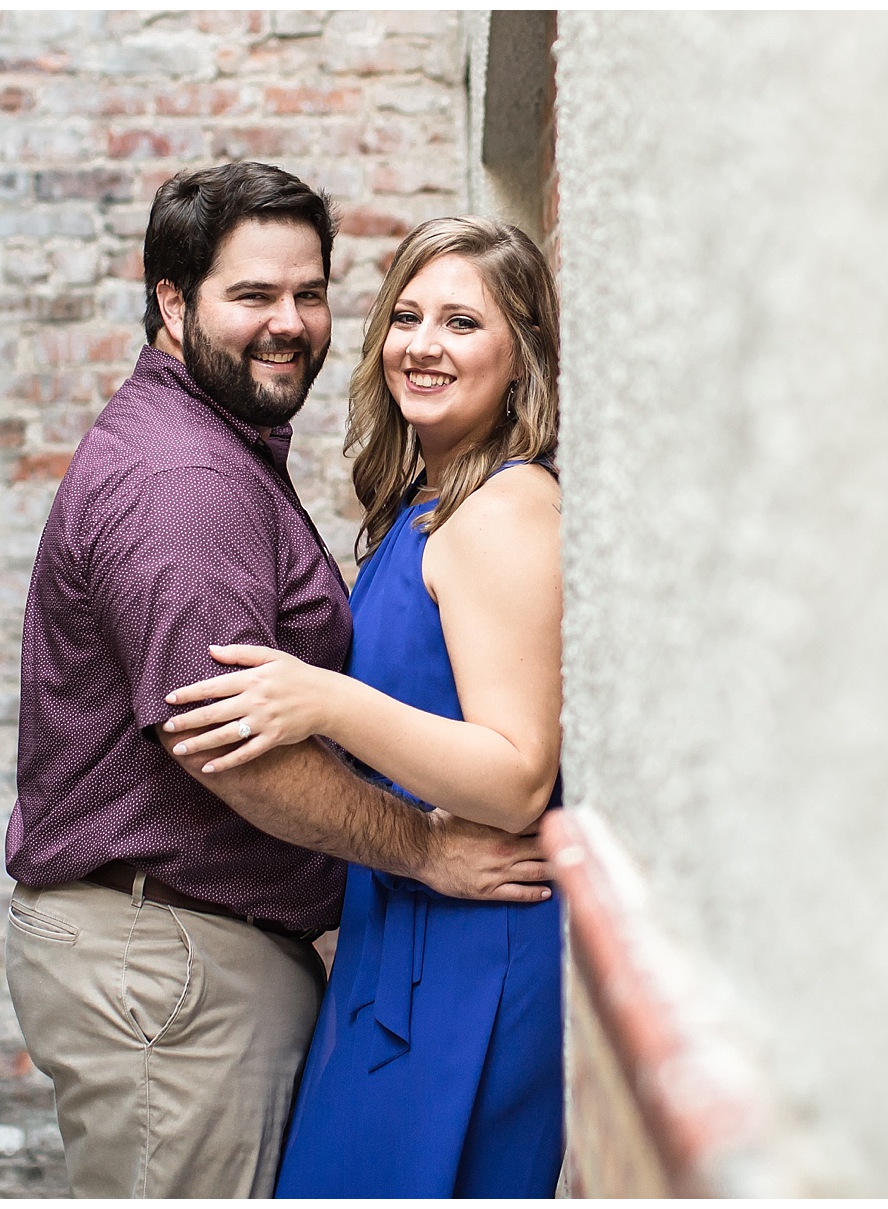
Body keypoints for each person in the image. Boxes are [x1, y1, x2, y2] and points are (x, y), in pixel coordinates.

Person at [3, 165, 551, 1199]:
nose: (289, 323)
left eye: (309, 293)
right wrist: (421, 849)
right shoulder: (188, 480)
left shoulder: (237, 457)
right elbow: (229, 753)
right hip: (176, 965)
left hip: (234, 956)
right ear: (174, 301)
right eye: (252, 295)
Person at [162, 216, 566, 1197]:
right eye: (408, 315)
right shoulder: (423, 509)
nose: (423, 344)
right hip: (405, 924)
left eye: (463, 322)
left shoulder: (506, 510)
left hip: (472, 943)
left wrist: (325, 703)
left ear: (520, 360)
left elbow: (518, 779)